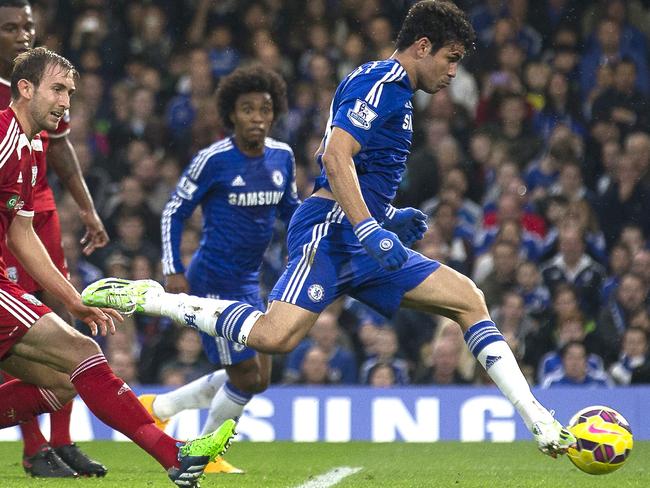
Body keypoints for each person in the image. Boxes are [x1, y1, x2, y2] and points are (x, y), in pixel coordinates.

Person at [84, 1, 574, 457]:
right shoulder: (380, 82)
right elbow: (335, 156)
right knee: (275, 339)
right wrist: (368, 227)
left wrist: (387, 218)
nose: (452, 72)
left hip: (362, 231)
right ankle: (150, 298)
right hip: (332, 230)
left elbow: (367, 169)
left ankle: (539, 423)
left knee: (468, 297)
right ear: (422, 46)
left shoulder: (399, 91)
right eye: (450, 58)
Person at [0, 47, 234, 488]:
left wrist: (73, 299)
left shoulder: (31, 150)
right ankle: (175, 456)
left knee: (63, 381)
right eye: (57, 89)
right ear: (25, 89)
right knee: (83, 356)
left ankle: (176, 457)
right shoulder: (2, 134)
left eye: (70, 91)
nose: (66, 100)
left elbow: (21, 236)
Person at [139, 65, 299, 474]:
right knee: (244, 376)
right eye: (248, 110)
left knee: (259, 377)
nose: (257, 118)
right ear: (231, 114)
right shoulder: (213, 160)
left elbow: (290, 212)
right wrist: (174, 269)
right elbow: (174, 211)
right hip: (213, 280)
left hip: (250, 280)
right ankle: (206, 453)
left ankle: (161, 406)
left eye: (264, 110)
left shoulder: (282, 156)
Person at [0, 0, 110, 477]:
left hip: (38, 211)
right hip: (6, 218)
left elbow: (60, 147)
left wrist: (86, 208)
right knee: (17, 329)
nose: (23, 33)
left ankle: (62, 440)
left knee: (61, 316)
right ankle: (33, 447)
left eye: (27, 24)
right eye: (10, 27)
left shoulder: (49, 82)